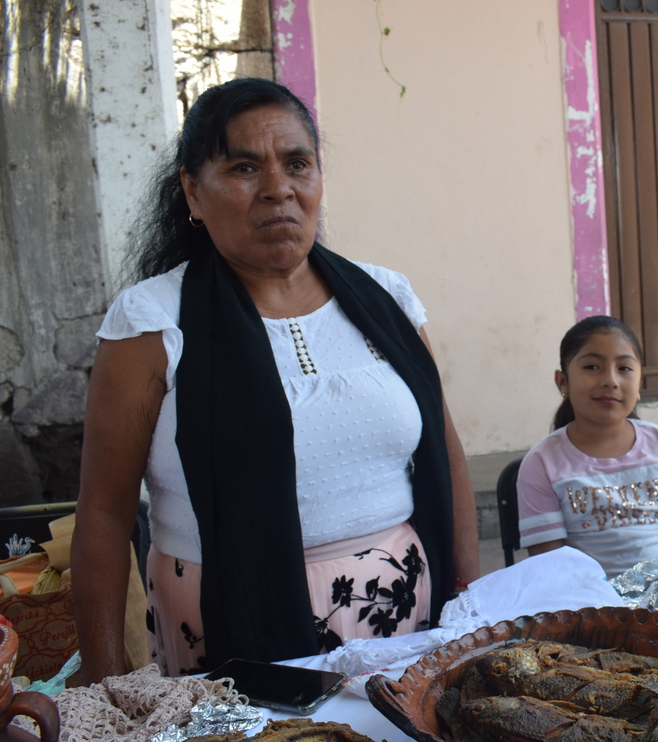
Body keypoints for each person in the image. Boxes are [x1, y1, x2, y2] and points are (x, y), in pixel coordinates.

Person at [72, 78, 479, 683]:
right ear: (193, 190)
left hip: (406, 623)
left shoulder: (388, 298)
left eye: (297, 164)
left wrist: (469, 603)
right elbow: (105, 511)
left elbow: (446, 451)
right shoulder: (151, 322)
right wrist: (106, 675)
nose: (278, 188)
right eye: (244, 167)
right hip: (229, 632)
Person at [516, 316, 658, 578]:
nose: (611, 381)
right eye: (592, 366)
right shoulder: (541, 463)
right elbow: (550, 566)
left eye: (624, 368)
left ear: (639, 383)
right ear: (563, 382)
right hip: (581, 600)